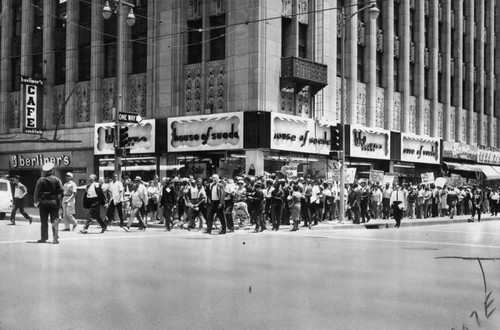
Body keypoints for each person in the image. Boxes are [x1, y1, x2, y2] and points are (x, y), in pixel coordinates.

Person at [33, 163, 63, 244]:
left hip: (43, 203)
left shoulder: (41, 180)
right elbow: (61, 192)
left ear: (44, 172)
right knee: (55, 221)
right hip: (54, 202)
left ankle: (43, 238)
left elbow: (36, 192)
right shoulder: (57, 179)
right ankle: (55, 238)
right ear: (52, 170)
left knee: (44, 221)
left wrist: (36, 201)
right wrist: (59, 203)